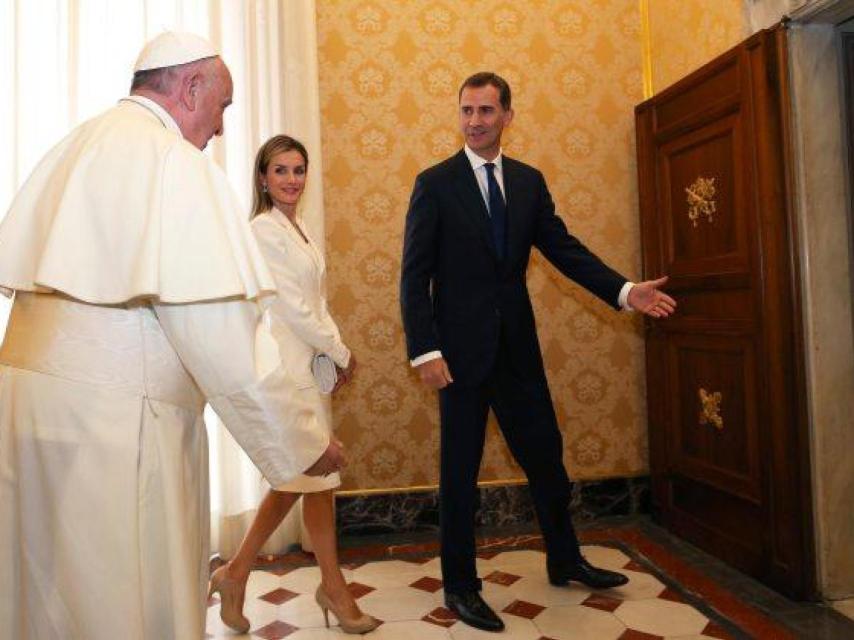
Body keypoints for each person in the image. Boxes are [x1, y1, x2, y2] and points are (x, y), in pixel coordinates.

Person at [0, 32, 344, 640]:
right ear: (190, 88)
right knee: (118, 597)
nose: (218, 128)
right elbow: (220, 334)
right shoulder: (174, 165)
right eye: (222, 107)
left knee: (44, 588)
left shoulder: (76, 144)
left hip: (28, 411)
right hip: (117, 426)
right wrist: (303, 438)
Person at [400, 72, 676, 633]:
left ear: (507, 116)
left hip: (517, 350)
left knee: (546, 456)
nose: (475, 120)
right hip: (457, 355)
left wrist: (626, 292)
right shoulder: (435, 183)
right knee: (460, 470)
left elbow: (564, 249)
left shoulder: (527, 182)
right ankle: (460, 586)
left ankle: (565, 557)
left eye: (486, 110)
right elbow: (415, 276)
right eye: (466, 110)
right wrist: (424, 350)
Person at [207, 135, 379, 635]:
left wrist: (332, 349)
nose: (291, 179)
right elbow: (291, 308)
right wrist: (343, 352)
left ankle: (247, 574)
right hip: (286, 368)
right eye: (280, 170)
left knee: (312, 482)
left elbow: (314, 302)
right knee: (307, 477)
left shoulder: (296, 226)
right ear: (263, 177)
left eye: (298, 170)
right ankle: (314, 586)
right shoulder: (263, 229)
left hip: (309, 366)